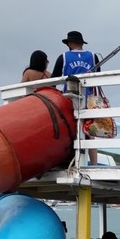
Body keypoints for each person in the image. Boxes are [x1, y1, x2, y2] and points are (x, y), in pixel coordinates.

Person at [50, 31, 99, 166]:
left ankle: (72, 163)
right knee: (90, 132)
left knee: (70, 130)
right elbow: (98, 77)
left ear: (70, 43)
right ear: (81, 43)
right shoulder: (93, 57)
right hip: (89, 100)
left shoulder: (63, 57)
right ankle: (94, 164)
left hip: (69, 100)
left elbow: (53, 81)